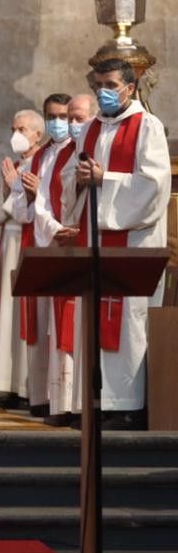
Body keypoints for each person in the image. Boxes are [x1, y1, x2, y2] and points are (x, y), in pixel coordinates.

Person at [60, 59, 172, 428]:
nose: (102, 92)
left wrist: (105, 178)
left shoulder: (147, 126)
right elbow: (69, 178)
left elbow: (154, 185)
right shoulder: (91, 128)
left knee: (130, 321)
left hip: (134, 243)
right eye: (97, 85)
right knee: (97, 317)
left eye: (109, 84)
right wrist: (78, 181)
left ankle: (131, 407)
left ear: (130, 87)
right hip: (97, 238)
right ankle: (98, 403)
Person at [17, 95, 77, 419]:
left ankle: (69, 402)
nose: (58, 121)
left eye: (63, 115)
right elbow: (35, 204)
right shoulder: (39, 156)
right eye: (51, 115)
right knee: (52, 326)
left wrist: (61, 227)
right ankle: (53, 399)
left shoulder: (77, 151)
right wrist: (52, 227)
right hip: (51, 240)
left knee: (67, 324)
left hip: (72, 241)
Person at [43, 94, 96, 423]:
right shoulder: (72, 152)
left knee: (82, 328)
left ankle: (81, 405)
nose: (73, 124)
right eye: (69, 118)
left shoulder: (95, 144)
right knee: (64, 326)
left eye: (78, 118)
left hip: (92, 242)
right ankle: (64, 403)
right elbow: (61, 190)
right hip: (69, 239)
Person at [0, 108, 45, 406]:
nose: (16, 135)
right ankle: (5, 385)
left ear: (38, 134)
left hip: (28, 241)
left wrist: (15, 192)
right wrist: (10, 189)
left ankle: (26, 387)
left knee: (25, 312)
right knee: (7, 311)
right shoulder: (12, 166)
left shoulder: (44, 163)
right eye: (13, 128)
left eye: (22, 129)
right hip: (7, 242)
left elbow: (39, 211)